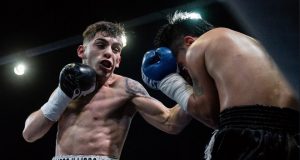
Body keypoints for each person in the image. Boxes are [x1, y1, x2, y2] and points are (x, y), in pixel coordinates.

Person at [141, 11, 300, 160]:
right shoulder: (256, 44)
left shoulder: (198, 47)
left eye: (182, 66)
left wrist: (168, 81)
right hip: (293, 139)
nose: (187, 73)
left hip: (249, 139)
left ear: (189, 41)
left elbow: (210, 116)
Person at [22, 21, 192, 160]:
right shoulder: (68, 85)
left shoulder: (126, 88)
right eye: (101, 45)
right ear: (82, 51)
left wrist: (191, 84)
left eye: (116, 49)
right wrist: (62, 94)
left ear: (118, 60)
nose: (109, 53)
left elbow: (171, 122)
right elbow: (30, 134)